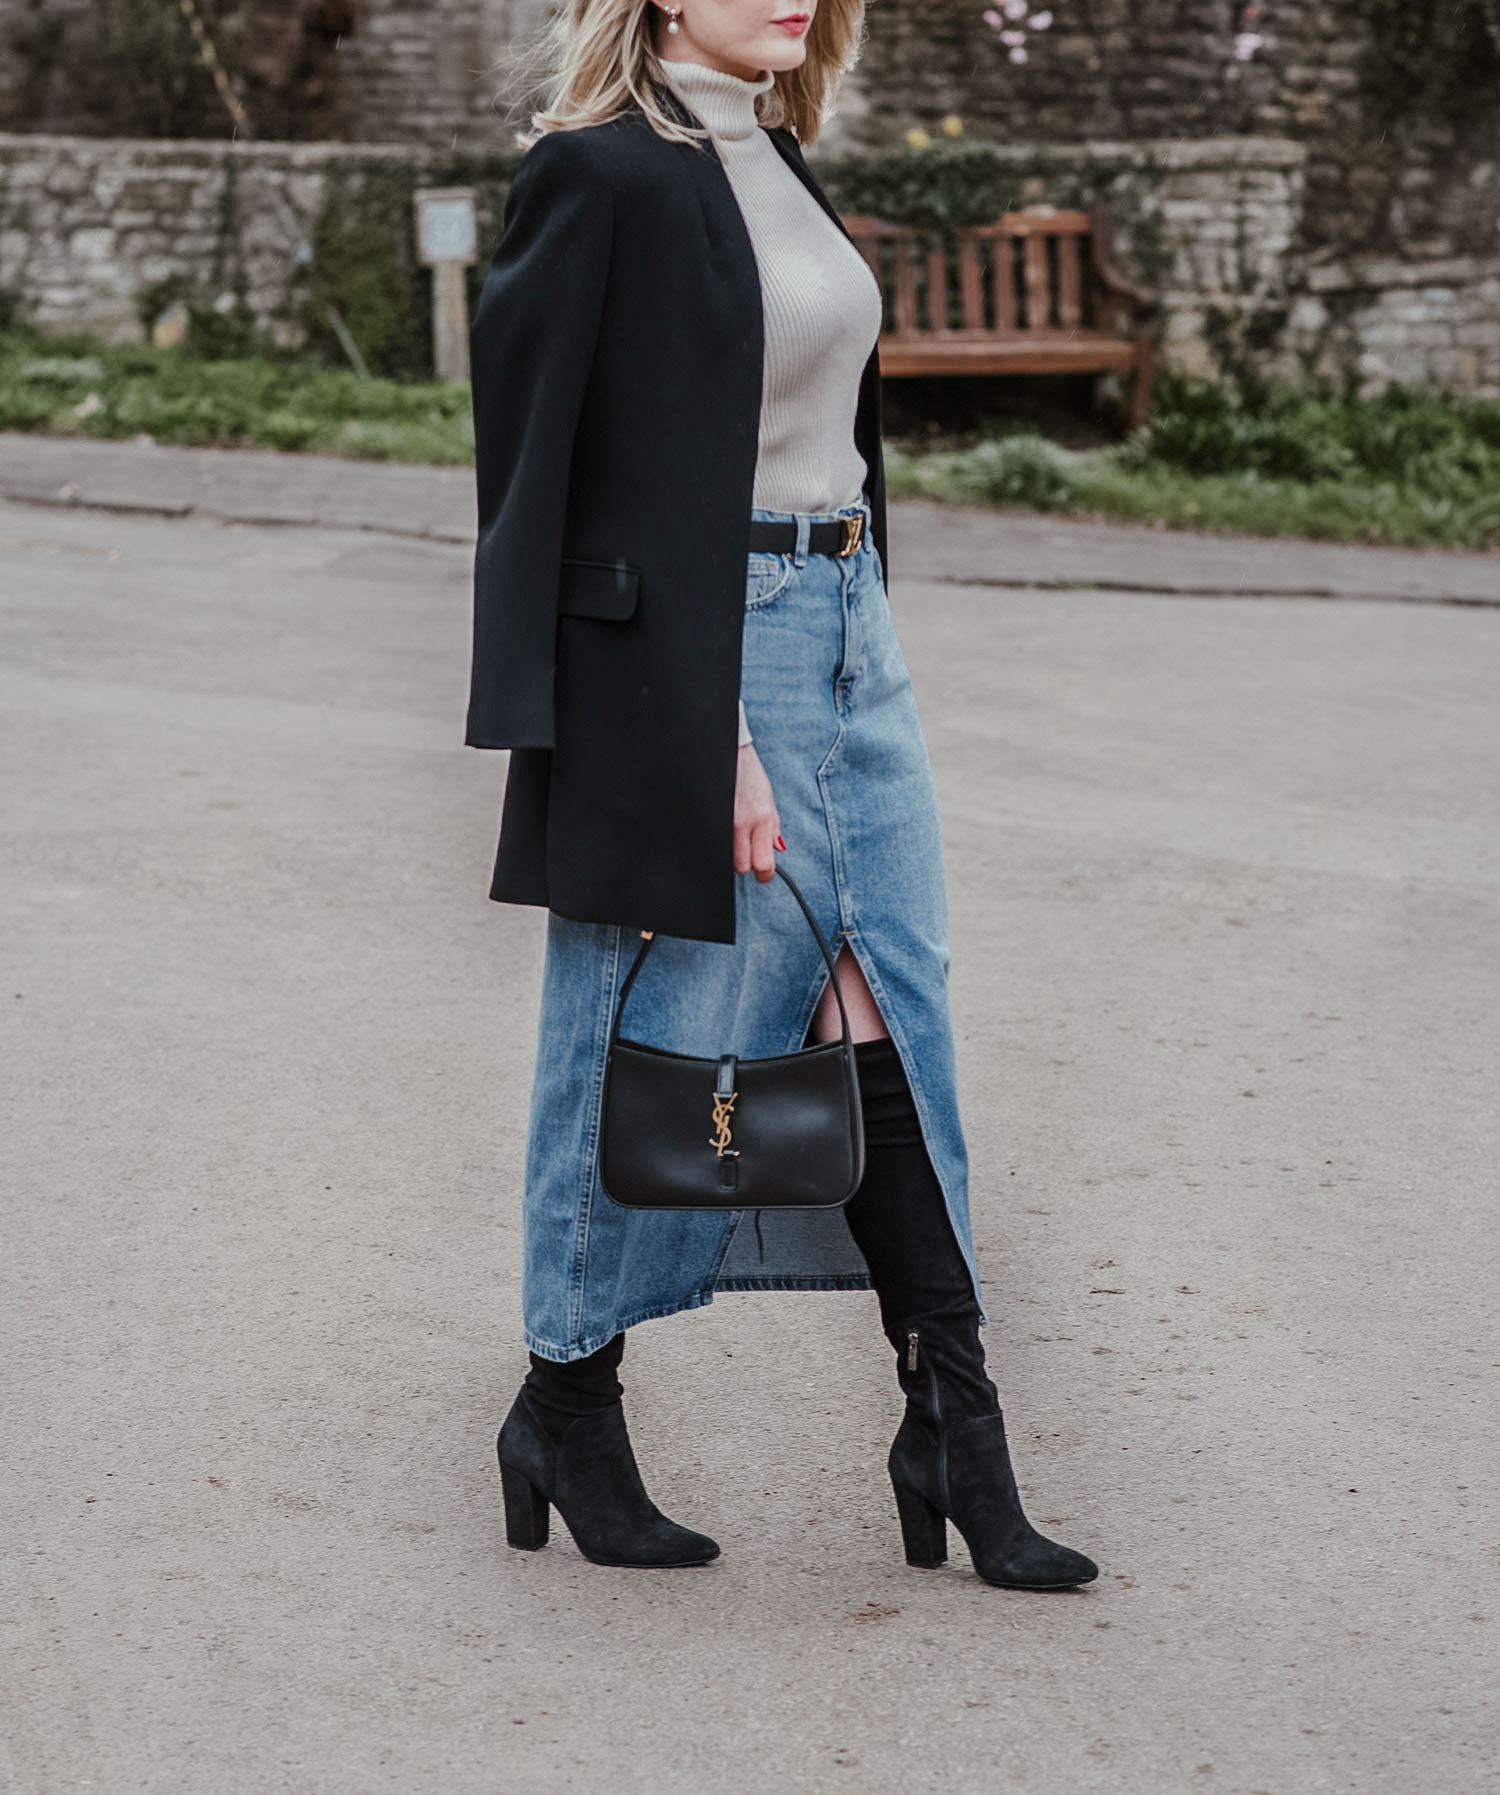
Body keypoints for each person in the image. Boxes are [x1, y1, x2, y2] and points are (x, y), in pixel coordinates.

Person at [465, 0, 1098, 1591]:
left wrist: (845, 632)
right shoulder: (597, 175)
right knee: (647, 1022)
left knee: (894, 998)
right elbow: (547, 474)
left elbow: (826, 430)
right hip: (705, 647)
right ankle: (567, 1402)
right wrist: (701, 728)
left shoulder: (781, 153)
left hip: (846, 626)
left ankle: (956, 1432)